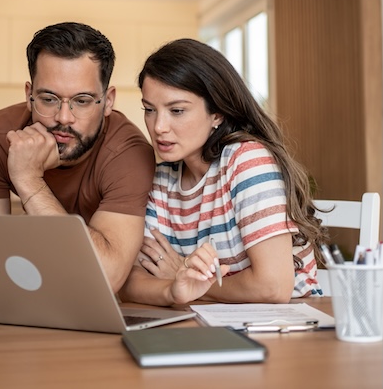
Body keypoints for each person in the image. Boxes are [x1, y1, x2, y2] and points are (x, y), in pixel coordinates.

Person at [119, 39, 329, 306]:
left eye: (177, 110)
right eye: (149, 110)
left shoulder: (247, 160)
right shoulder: (161, 179)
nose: (158, 126)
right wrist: (175, 290)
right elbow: (131, 283)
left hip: (286, 327)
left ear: (216, 114)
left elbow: (272, 287)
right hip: (205, 324)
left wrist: (183, 277)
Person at [0, 22, 155, 293]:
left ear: (108, 100)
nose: (64, 118)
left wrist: (28, 179)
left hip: (98, 292)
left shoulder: (129, 154)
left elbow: (106, 278)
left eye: (82, 100)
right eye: (49, 99)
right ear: (29, 95)